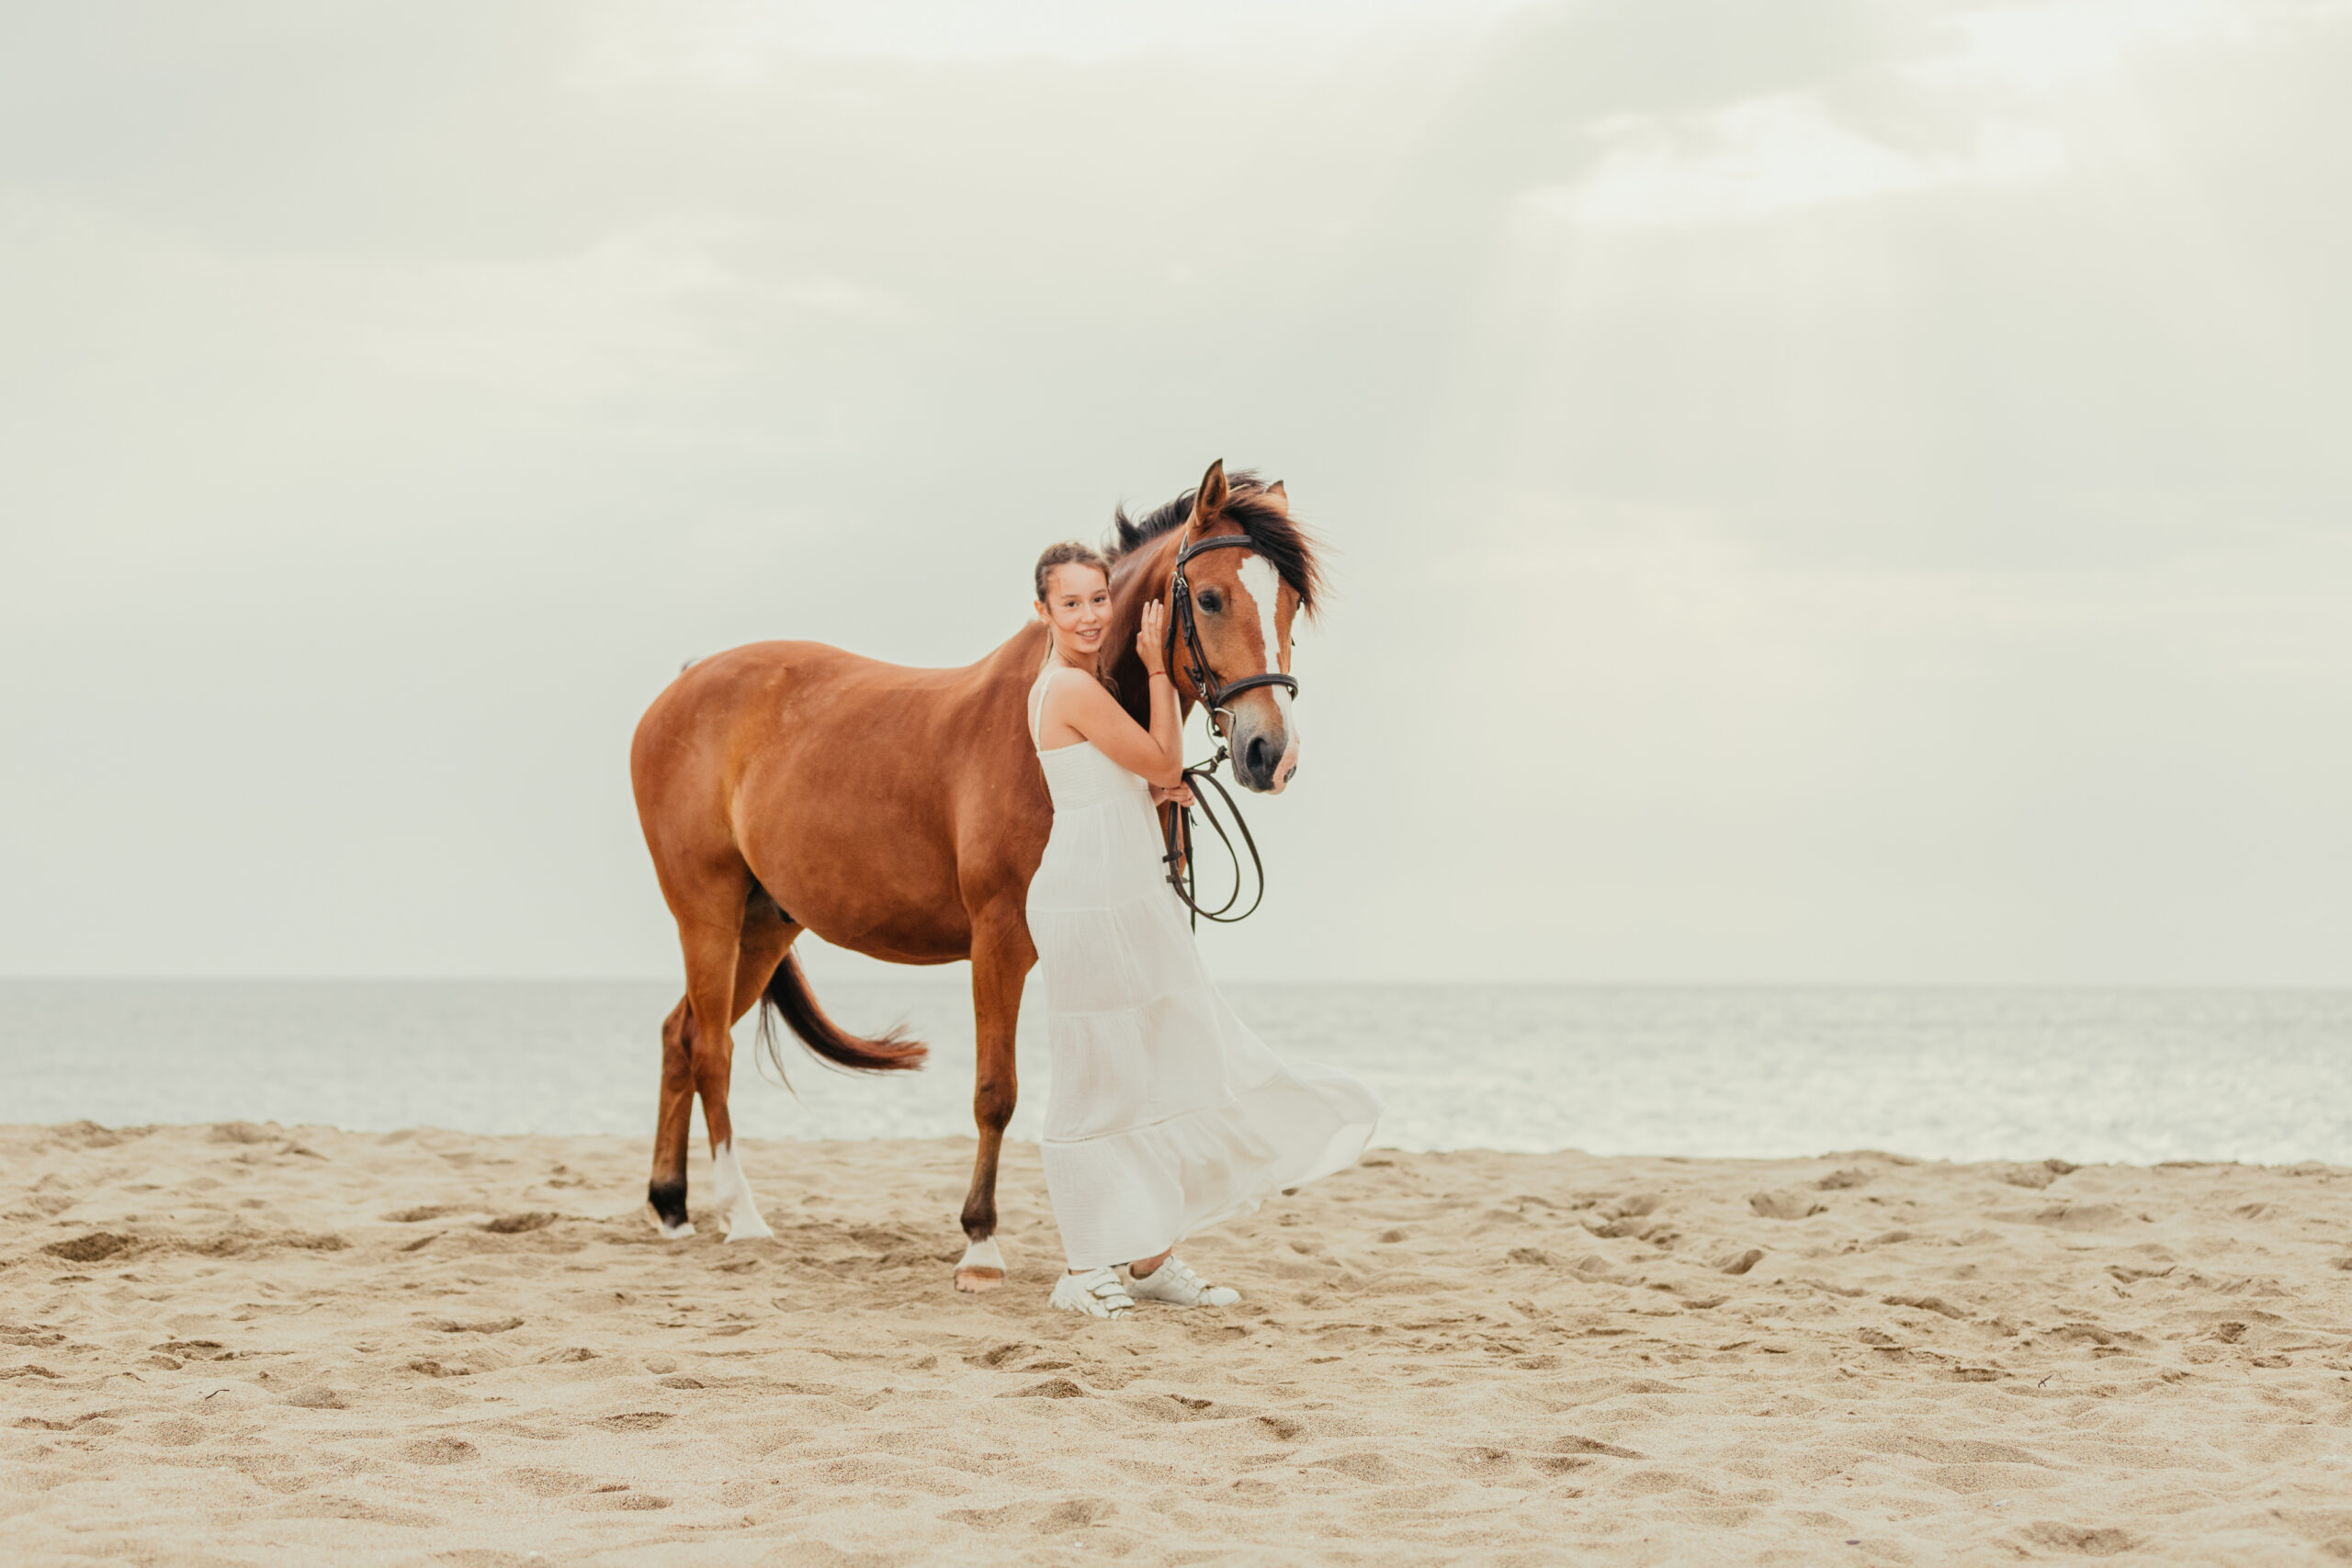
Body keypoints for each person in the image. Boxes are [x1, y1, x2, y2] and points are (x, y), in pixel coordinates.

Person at [1023, 540, 1381, 1318]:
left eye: (1097, 599)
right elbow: (1160, 756)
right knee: (1096, 1082)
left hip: (1122, 890)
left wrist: (1154, 800)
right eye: (1072, 602)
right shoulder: (1067, 689)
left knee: (1155, 1068)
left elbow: (1124, 784)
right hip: (1090, 899)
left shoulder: (1079, 689)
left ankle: (1149, 1258)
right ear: (1044, 612)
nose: (1090, 615)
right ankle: (1085, 1269)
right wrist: (1157, 669)